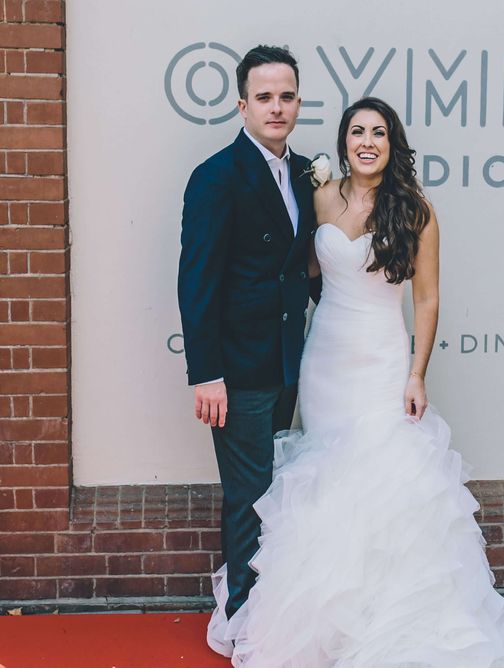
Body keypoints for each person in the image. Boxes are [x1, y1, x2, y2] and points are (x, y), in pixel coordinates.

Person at [212, 97, 504, 667]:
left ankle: (389, 621)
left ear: (392, 143)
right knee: (330, 481)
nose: (367, 141)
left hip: (381, 360)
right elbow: (294, 275)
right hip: (324, 360)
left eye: (378, 132)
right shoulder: (321, 196)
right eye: (356, 131)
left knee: (383, 478)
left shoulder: (416, 211)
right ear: (343, 141)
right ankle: (333, 624)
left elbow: (426, 299)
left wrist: (416, 374)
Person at [177, 45, 317, 655]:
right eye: (264, 96)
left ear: (298, 102)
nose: (276, 107)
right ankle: (241, 625)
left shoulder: (308, 172)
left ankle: (273, 613)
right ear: (241, 105)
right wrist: (206, 373)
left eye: (286, 96)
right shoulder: (215, 177)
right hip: (237, 370)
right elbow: (197, 280)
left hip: (288, 362)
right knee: (248, 499)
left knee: (278, 493)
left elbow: (300, 268)